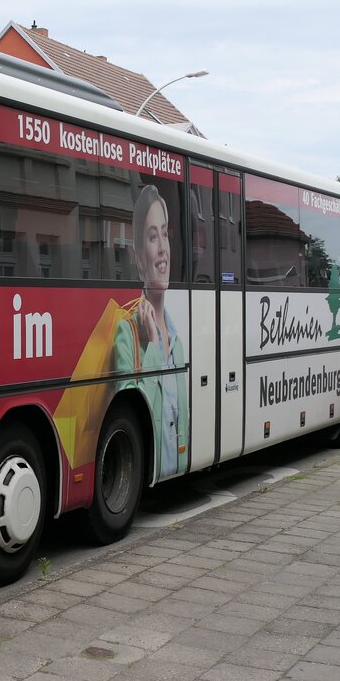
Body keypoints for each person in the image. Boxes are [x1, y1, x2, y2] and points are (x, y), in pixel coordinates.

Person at [114, 184, 189, 477]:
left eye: (165, 233)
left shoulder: (178, 342)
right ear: (139, 257)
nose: (161, 249)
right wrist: (153, 345)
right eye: (151, 236)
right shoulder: (127, 332)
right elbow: (139, 419)